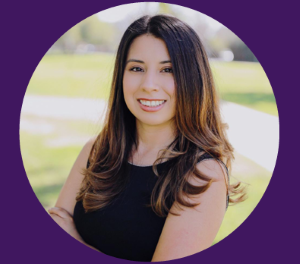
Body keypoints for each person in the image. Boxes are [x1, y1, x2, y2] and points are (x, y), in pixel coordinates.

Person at [48, 14, 245, 262]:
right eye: (136, 68)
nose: (149, 84)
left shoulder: (204, 175)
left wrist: (73, 240)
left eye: (168, 69)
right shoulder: (97, 150)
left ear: (193, 79)